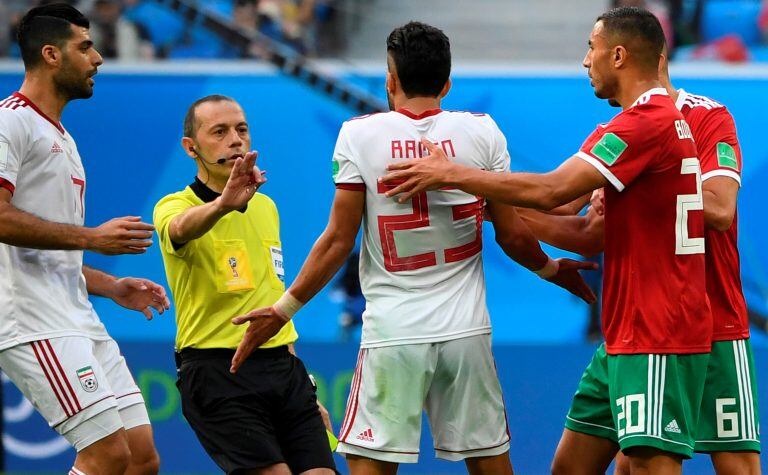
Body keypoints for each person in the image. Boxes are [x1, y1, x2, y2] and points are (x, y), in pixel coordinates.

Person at [228, 21, 597, 475]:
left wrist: (283, 309)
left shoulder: (359, 136)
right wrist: (550, 270)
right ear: (446, 84)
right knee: (490, 464)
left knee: (371, 467)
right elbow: (513, 234)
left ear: (391, 78)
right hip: (466, 333)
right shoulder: (481, 132)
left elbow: (338, 239)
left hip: (394, 332)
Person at [380, 8, 713, 475]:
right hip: (625, 331)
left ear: (618, 55)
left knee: (648, 466)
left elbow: (551, 190)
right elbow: (570, 218)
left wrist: (453, 173)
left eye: (590, 49)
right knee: (570, 467)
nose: (584, 61)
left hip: (658, 330)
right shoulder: (634, 125)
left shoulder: (645, 124)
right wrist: (481, 200)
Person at [523, 47, 761, 475]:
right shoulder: (620, 130)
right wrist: (490, 204)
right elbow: (560, 206)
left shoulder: (708, 117)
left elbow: (721, 209)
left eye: (592, 49)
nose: (585, 61)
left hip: (710, 316)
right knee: (615, 463)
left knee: (734, 464)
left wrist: (644, 187)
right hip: (639, 319)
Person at [0, 4, 169, 474]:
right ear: (51, 55)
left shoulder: (62, 138)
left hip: (76, 313)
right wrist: (93, 237)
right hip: (31, 319)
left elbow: (45, 247)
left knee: (140, 458)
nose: (97, 59)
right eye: (86, 47)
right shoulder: (9, 121)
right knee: (106, 456)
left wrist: (110, 286)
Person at [153, 94, 337, 475]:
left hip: (283, 370)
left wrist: (305, 386)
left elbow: (270, 296)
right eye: (219, 132)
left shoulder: (266, 207)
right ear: (191, 148)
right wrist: (222, 205)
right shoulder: (175, 206)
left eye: (241, 129)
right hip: (218, 371)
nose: (235, 140)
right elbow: (179, 229)